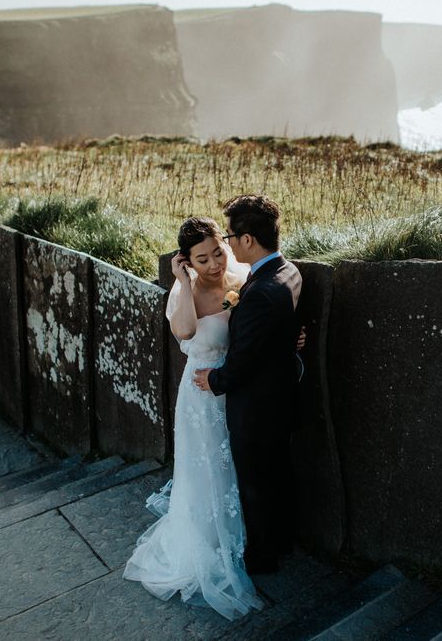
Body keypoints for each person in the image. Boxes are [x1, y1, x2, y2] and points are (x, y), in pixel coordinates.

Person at [123, 216, 264, 621]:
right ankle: (210, 544)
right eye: (202, 260)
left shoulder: (240, 276)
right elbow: (184, 332)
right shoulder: (183, 292)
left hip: (236, 389)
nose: (215, 264)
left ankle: (246, 537)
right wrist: (184, 282)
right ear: (188, 261)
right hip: (201, 398)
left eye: (218, 252)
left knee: (239, 464)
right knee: (208, 472)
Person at [192, 194, 302, 575]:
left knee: (255, 481)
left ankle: (262, 557)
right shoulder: (288, 272)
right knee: (277, 473)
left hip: (256, 407)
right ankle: (284, 539)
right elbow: (272, 333)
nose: (228, 242)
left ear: (248, 240)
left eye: (230, 236)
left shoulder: (259, 293)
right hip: (280, 396)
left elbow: (240, 364)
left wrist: (213, 379)